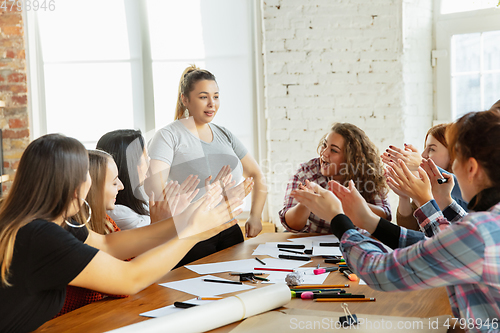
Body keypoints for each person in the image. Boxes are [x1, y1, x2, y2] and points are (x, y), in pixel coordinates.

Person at [0, 134, 244, 332]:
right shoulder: (40, 235)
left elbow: (108, 244)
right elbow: (129, 278)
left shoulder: (41, 223)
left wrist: (187, 218)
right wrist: (193, 233)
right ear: (74, 185)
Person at [291, 109, 500, 332]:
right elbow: (443, 243)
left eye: (456, 160)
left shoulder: (478, 234)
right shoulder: (486, 225)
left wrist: (338, 218)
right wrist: (370, 221)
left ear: (471, 168)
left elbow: (379, 271)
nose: (452, 169)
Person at [147, 65, 266, 266]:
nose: (212, 103)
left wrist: (255, 216)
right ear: (185, 99)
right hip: (191, 233)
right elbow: (155, 190)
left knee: (235, 288)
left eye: (216, 96)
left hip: (229, 229)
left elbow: (256, 174)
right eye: (203, 97)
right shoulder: (168, 136)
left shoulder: (224, 134)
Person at [279, 122, 391, 233]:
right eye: (324, 145)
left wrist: (349, 200)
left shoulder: (368, 173)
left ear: (351, 158)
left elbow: (384, 218)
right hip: (311, 238)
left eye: (334, 150)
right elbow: (291, 224)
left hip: (353, 238)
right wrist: (307, 202)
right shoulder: (306, 172)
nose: (324, 153)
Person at [97, 129, 199, 230]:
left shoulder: (138, 201)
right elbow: (158, 238)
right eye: (145, 157)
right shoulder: (118, 213)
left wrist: (175, 210)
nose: (149, 161)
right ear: (131, 166)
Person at [382, 124, 456, 230]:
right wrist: (404, 197)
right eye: (425, 148)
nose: (423, 155)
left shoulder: (461, 191)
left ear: (452, 154)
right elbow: (410, 230)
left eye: (431, 149)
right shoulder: (429, 183)